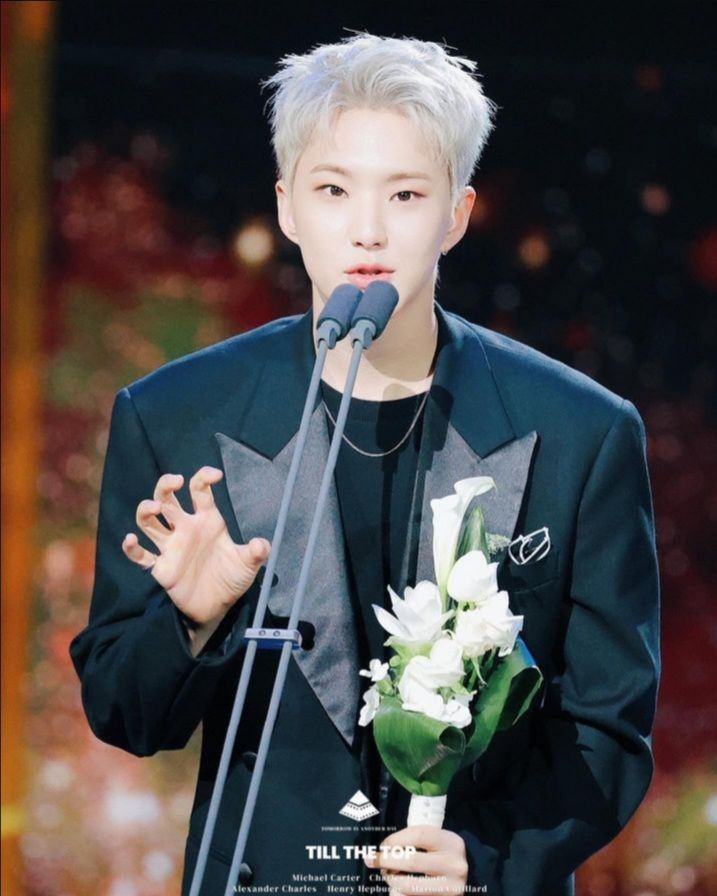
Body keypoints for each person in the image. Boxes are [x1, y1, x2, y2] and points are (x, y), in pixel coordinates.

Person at [70, 33, 660, 896]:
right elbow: (124, 715)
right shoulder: (175, 416)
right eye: (334, 190)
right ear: (287, 207)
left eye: (406, 194)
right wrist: (190, 622)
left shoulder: (581, 430)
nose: (369, 229)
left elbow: (609, 727)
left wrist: (491, 859)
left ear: (455, 213)